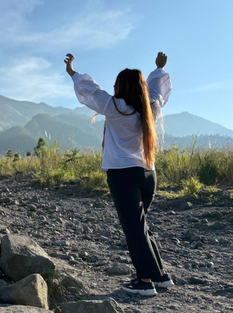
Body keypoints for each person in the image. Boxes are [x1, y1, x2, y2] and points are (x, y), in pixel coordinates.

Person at [64, 52, 173, 296]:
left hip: (123, 176)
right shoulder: (150, 108)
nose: (113, 89)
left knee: (134, 230)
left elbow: (92, 90)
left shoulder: (115, 107)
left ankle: (144, 282)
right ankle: (161, 276)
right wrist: (158, 69)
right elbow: (156, 89)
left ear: (121, 87)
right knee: (141, 225)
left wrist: (72, 72)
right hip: (148, 175)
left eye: (116, 85)